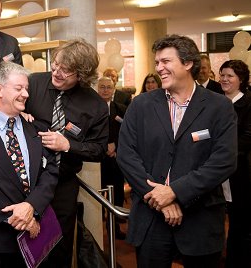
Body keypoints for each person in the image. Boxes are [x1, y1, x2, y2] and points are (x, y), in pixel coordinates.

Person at [117, 34, 237, 268]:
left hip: (200, 220)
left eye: (166, 62)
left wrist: (175, 192)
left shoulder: (219, 106)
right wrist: (160, 199)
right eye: (157, 63)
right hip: (152, 221)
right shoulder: (141, 105)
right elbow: (127, 155)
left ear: (188, 63)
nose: (158, 68)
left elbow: (224, 160)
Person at [0, 61, 58, 268]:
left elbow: (50, 172)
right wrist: (20, 218)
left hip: (35, 236)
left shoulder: (36, 129)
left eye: (26, 89)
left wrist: (31, 207)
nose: (25, 94)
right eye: (19, 88)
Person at [25, 38, 109, 268]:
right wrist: (19, 113)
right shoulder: (33, 84)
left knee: (58, 244)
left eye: (66, 71)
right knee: (25, 241)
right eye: (56, 65)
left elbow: (99, 150)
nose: (57, 72)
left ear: (82, 75)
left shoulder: (96, 106)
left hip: (63, 183)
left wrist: (68, 145)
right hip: (27, 182)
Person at [218, 60, 251, 268]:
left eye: (230, 76)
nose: (224, 79)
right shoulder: (213, 102)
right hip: (214, 174)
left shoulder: (249, 103)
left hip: (241, 173)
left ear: (241, 80)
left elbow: (248, 137)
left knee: (241, 225)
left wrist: (218, 150)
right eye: (222, 75)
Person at [97, 76, 127, 239]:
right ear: (97, 88)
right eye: (102, 87)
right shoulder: (91, 109)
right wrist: (104, 147)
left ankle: (115, 227)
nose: (105, 90)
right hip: (97, 161)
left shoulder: (121, 108)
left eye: (108, 87)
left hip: (116, 159)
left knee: (117, 196)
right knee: (98, 197)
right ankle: (99, 232)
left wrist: (115, 145)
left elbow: (128, 132)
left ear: (114, 89)